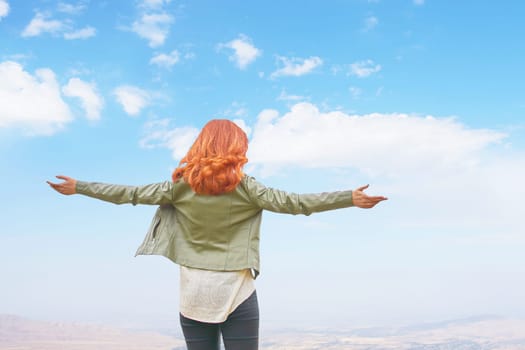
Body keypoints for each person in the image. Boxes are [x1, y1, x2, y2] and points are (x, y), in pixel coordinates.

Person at [47, 119, 387, 350]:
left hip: (193, 295)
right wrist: (348, 198)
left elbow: (130, 194)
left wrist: (80, 188)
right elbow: (295, 203)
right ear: (236, 148)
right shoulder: (247, 188)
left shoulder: (179, 187)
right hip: (237, 293)